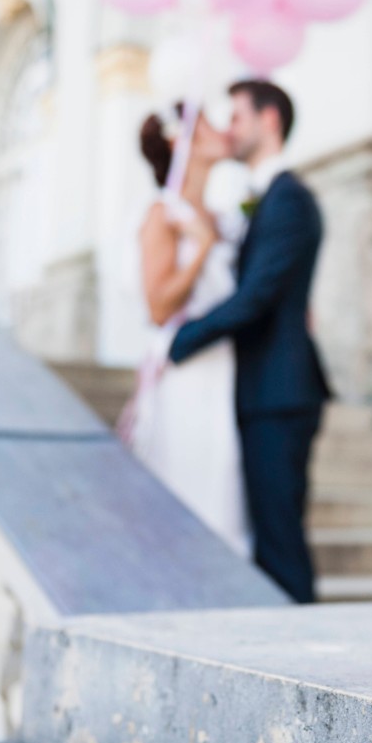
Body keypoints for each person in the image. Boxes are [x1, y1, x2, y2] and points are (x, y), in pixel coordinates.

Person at [169, 80, 331, 603]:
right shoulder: (266, 200)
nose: (229, 129)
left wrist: (181, 339)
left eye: (237, 117)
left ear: (269, 121)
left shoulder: (290, 198)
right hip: (264, 388)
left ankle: (302, 661)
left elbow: (257, 296)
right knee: (268, 538)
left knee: (281, 543)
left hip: (279, 393)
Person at [123, 103, 252, 558]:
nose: (222, 131)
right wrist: (201, 249)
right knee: (191, 476)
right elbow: (157, 306)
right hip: (186, 368)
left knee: (224, 483)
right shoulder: (165, 213)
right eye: (209, 124)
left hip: (225, 365)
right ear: (183, 140)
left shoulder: (223, 214)